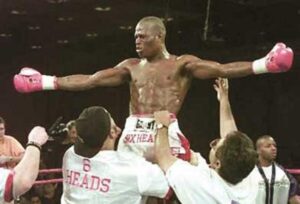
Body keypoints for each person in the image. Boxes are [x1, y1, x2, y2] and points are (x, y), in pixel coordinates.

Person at [13, 16, 293, 160]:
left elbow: (220, 68)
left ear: (159, 36)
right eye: (134, 36)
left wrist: (263, 65)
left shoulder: (182, 64)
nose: (136, 40)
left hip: (165, 130)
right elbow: (92, 79)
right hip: (133, 132)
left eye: (142, 36)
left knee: (179, 185)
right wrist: (47, 81)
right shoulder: (131, 66)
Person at [153, 78, 258, 203]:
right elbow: (231, 134)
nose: (213, 145)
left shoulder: (199, 184)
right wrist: (224, 99)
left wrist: (161, 125)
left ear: (218, 164)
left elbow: (164, 157)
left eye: (215, 145)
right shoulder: (248, 175)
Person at [61, 106, 170, 204]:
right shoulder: (133, 168)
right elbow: (172, 181)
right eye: (113, 128)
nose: (119, 130)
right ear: (112, 133)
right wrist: (162, 127)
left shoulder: (70, 155)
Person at [0, 126, 48, 203]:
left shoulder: (9, 140)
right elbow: (24, 181)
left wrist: (8, 158)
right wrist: (34, 143)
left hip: (14, 177)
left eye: (1, 129)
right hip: (14, 181)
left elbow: (23, 156)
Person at [254, 135, 300, 204]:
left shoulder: (282, 173)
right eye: (268, 146)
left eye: (274, 146)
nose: (273, 148)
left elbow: (294, 198)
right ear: (258, 151)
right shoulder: (249, 170)